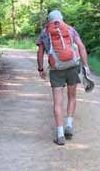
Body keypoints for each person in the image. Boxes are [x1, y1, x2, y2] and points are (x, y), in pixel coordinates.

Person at [37, 10, 90, 146]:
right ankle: (69, 125)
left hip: (56, 69)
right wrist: (86, 66)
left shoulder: (45, 32)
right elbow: (81, 47)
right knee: (72, 96)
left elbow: (40, 52)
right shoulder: (70, 29)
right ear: (61, 19)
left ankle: (60, 135)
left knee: (57, 102)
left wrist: (41, 69)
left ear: (49, 20)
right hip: (72, 66)